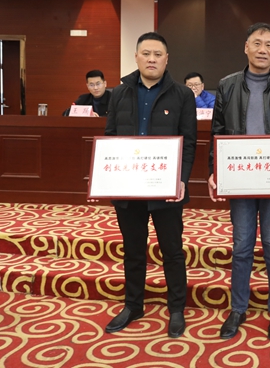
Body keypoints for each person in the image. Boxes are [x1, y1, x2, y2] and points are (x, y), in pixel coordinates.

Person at [207, 22, 270, 341]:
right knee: (241, 246)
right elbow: (217, 131)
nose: (262, 49)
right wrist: (214, 170)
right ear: (246, 47)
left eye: (268, 45)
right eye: (256, 43)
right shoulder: (227, 85)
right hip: (239, 177)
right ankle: (238, 308)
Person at [103, 32, 197, 338]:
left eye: (158, 54)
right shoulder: (119, 93)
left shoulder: (182, 95)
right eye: (146, 53)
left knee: (172, 250)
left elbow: (189, 142)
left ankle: (177, 308)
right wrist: (108, 178)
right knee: (133, 250)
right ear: (136, 57)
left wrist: (181, 180)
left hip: (165, 188)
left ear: (167, 59)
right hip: (128, 187)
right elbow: (111, 137)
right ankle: (133, 305)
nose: (152, 59)